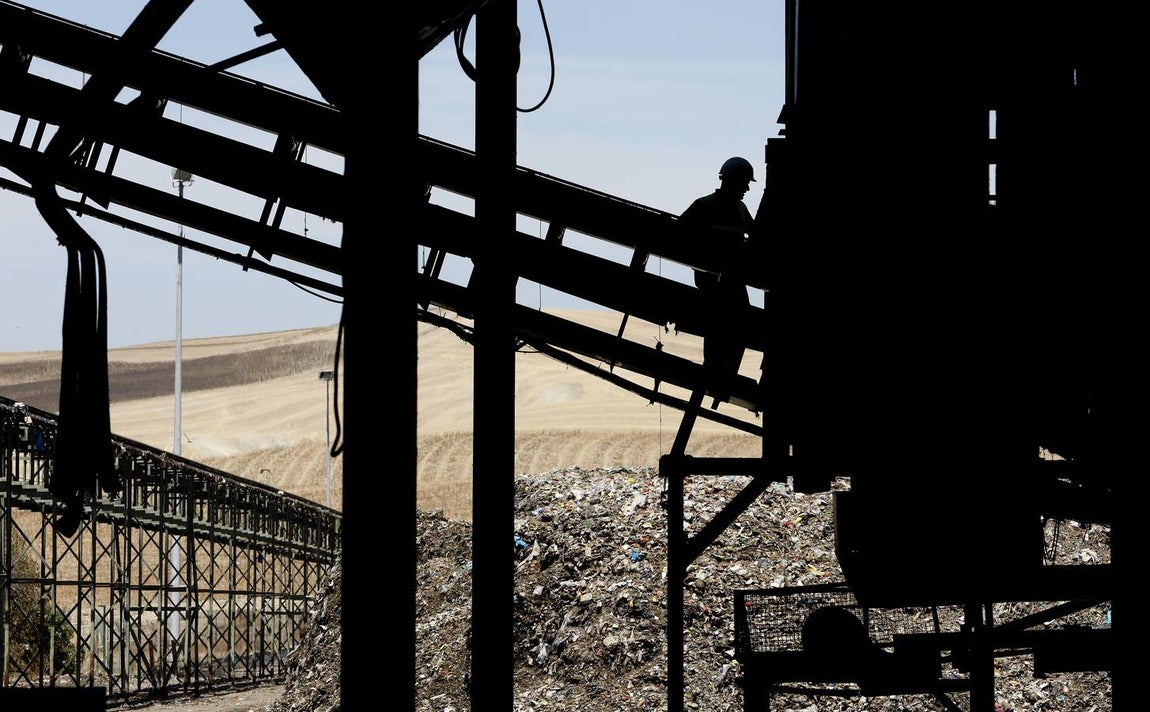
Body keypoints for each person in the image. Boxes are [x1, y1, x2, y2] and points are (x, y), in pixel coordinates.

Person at [678, 156, 757, 406]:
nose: (747, 189)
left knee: (723, 328)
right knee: (727, 326)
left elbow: (755, 236)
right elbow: (680, 231)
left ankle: (720, 376)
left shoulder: (727, 207)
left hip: (720, 282)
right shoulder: (715, 207)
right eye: (745, 183)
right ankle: (720, 377)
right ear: (732, 181)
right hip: (718, 282)